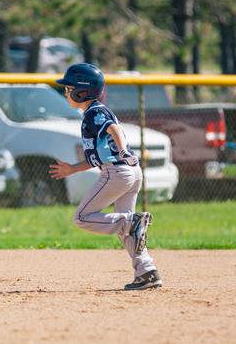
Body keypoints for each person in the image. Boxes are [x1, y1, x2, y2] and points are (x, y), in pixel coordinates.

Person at [48, 64, 162, 291]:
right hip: (130, 172)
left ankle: (131, 222)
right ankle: (146, 271)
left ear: (82, 92)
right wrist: (72, 169)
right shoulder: (96, 111)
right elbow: (97, 157)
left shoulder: (94, 113)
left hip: (118, 172)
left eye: (69, 88)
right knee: (127, 230)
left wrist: (122, 151)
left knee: (83, 217)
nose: (65, 92)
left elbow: (114, 130)